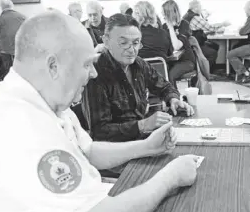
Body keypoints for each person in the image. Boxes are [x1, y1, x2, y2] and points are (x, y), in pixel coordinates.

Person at [0, 10, 200, 212]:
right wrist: (171, 176)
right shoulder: (18, 123)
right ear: (53, 66)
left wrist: (146, 147)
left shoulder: (46, 99)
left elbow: (88, 151)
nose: (93, 73)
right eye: (86, 64)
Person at [83, 13, 194, 143]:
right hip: (114, 150)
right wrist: (143, 125)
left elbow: (164, 86)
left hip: (141, 140)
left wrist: (173, 99)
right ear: (106, 41)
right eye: (123, 43)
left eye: (136, 43)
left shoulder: (139, 64)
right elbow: (99, 132)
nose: (132, 50)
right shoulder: (95, 74)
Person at [183, 0, 229, 72]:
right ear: (195, 8)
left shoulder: (187, 15)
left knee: (215, 45)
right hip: (194, 46)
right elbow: (209, 27)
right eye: (200, 7)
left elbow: (195, 31)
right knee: (213, 53)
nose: (201, 9)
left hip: (192, 43)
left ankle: (211, 70)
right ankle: (204, 72)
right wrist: (223, 24)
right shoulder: (195, 18)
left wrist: (208, 33)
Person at [161, 0, 197, 88]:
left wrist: (170, 27)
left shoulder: (184, 25)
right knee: (161, 73)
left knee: (171, 75)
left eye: (164, 13)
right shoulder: (164, 27)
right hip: (171, 60)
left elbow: (177, 46)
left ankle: (174, 99)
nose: (163, 16)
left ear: (169, 13)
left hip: (186, 61)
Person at [0, 0, 26, 78]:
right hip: (22, 48)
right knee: (22, 68)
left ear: (2, 7)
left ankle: (11, 83)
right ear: (12, 6)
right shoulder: (23, 16)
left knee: (8, 70)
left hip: (5, 49)